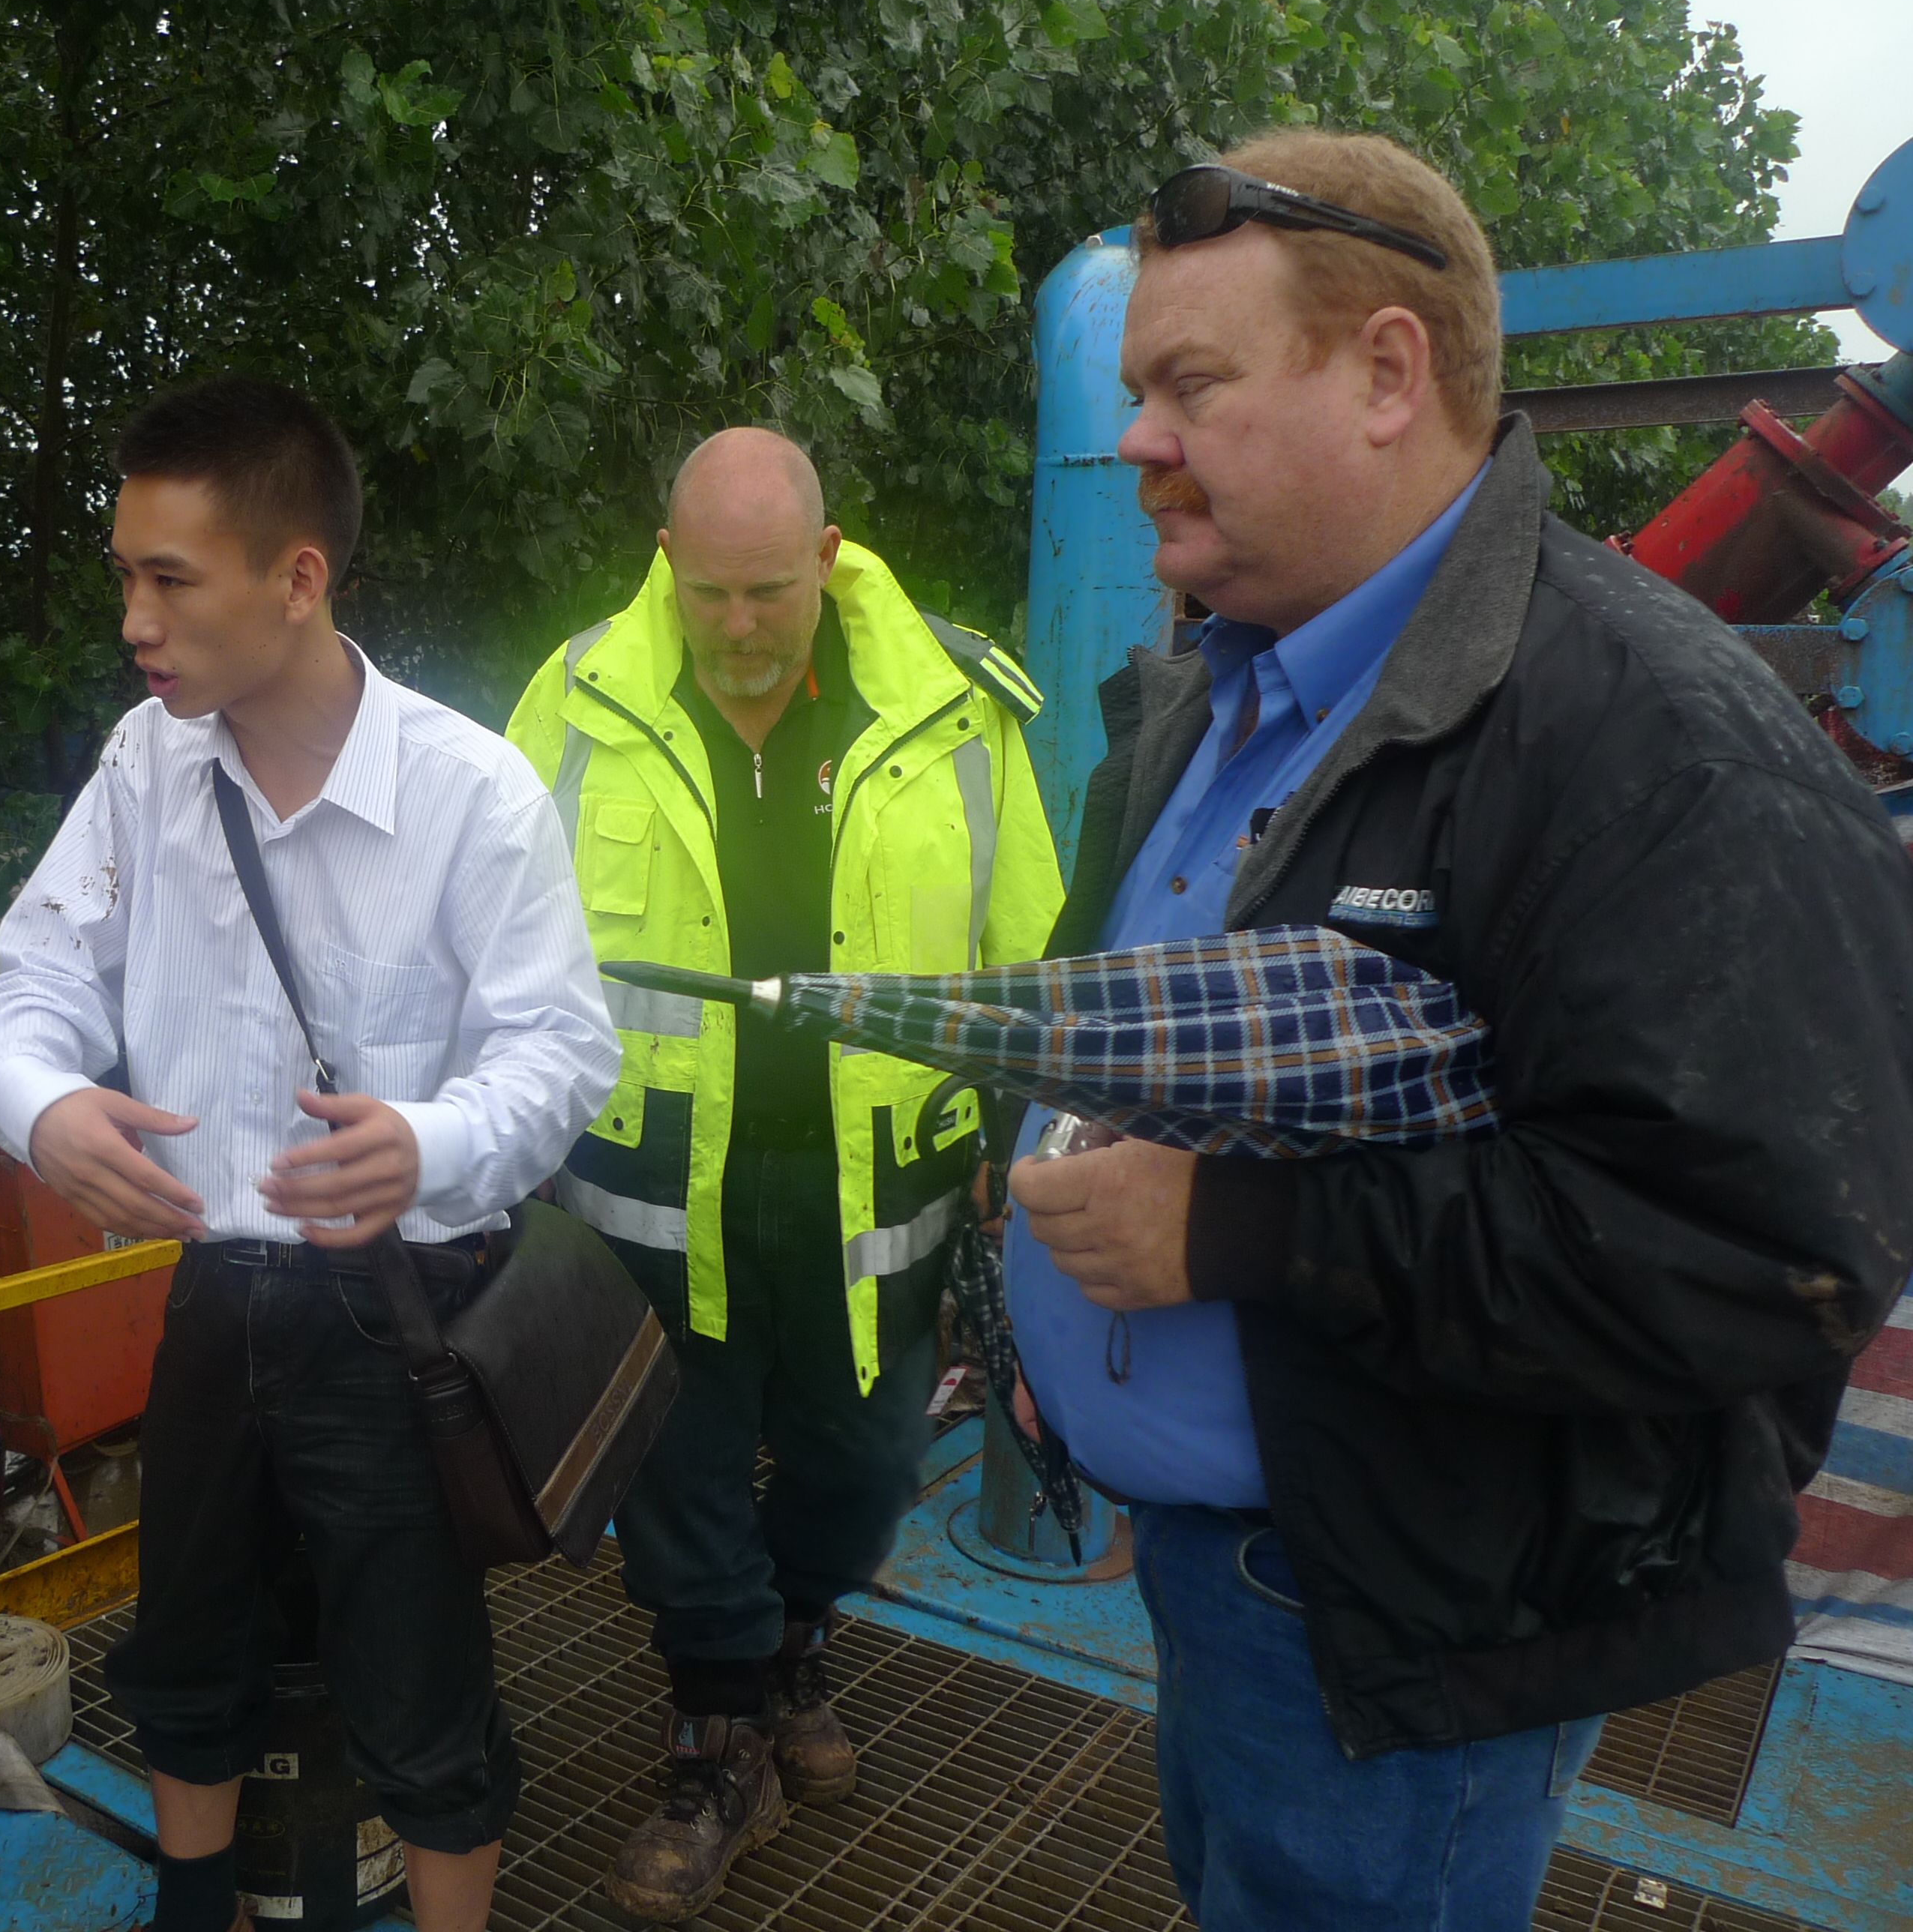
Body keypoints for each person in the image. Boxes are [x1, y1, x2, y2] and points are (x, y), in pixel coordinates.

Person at [1001, 129, 1913, 1932]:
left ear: (1387, 375)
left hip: (1403, 1626)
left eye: (1190, 385)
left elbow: (1770, 1259)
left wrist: (1239, 1232)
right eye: (1135, 392)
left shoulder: (1658, 744)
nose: (1139, 439)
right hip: (1218, 1570)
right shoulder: (1215, 681)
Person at [0, 376, 618, 1932]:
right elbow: (33, 982)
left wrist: (429, 1142)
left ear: (298, 577)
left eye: (170, 579)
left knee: (419, 1678)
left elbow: (562, 1050)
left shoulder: (469, 793)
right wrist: (44, 1105)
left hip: (395, 1314)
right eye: (125, 575)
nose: (135, 619)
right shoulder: (149, 765)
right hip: (213, 1297)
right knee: (185, 1644)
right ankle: (198, 1909)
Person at [505, 429, 1064, 1920]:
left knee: (868, 1462)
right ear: (665, 564)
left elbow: (1025, 950)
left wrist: (1018, 1135)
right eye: (709, 595)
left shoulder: (958, 705)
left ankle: (793, 1643)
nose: (740, 627)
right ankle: (717, 1737)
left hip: (878, 1181)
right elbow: (497, 947)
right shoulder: (574, 699)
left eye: (770, 592)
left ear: (827, 558)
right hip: (648, 1182)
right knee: (677, 1472)